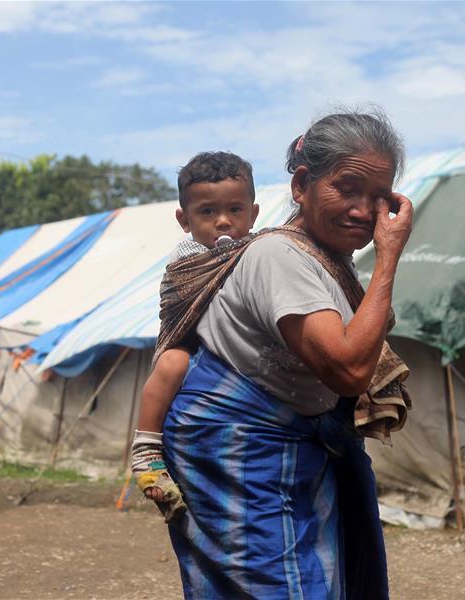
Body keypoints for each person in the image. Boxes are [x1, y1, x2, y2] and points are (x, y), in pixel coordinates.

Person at [157, 110, 414, 599]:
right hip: (245, 454)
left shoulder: (324, 263)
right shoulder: (280, 256)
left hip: (291, 455)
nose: (364, 209)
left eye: (378, 197)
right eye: (348, 188)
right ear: (301, 186)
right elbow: (349, 369)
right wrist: (389, 258)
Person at [131, 151, 260, 522]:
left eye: (235, 210)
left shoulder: (265, 249)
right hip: (189, 344)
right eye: (207, 212)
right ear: (184, 220)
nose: (223, 221)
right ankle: (146, 451)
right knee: (172, 363)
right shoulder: (186, 259)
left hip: (242, 358)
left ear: (252, 214)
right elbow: (181, 302)